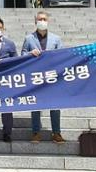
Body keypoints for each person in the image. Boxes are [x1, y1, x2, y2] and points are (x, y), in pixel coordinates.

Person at [21, 11, 65, 144]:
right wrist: (30, 53)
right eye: (40, 19)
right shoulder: (29, 38)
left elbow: (62, 56)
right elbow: (22, 55)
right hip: (36, 77)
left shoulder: (56, 39)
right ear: (35, 22)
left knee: (55, 105)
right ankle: (36, 132)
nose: (42, 21)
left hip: (52, 77)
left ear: (48, 21)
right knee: (35, 105)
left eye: (44, 19)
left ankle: (56, 132)